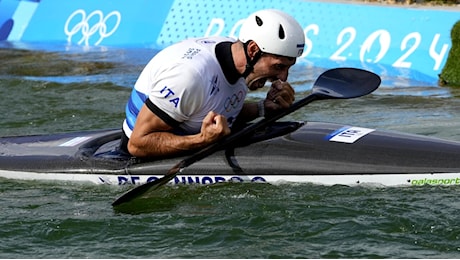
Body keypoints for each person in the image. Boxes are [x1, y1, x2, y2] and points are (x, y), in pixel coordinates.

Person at [120, 9, 305, 158]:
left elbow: (212, 106)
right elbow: (137, 144)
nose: (283, 78)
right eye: (279, 66)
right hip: (139, 155)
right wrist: (202, 140)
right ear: (253, 49)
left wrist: (263, 108)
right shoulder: (189, 76)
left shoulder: (237, 57)